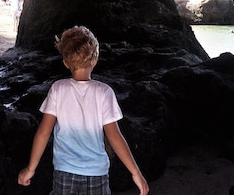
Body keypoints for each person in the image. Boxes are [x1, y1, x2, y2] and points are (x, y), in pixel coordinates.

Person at [18, 26, 149, 195]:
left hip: (64, 171)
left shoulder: (58, 89)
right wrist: (136, 173)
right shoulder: (104, 92)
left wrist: (31, 168)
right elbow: (115, 136)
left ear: (66, 62)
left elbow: (44, 132)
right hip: (96, 173)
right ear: (95, 59)